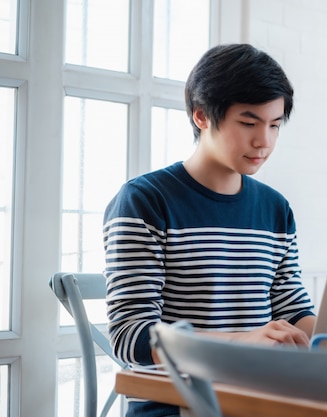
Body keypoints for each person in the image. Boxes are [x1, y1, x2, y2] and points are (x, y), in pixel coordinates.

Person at [103, 43, 316, 417]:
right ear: (201, 116)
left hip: (256, 401)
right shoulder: (145, 201)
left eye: (275, 125)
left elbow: (292, 307)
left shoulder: (275, 209)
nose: (264, 141)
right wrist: (242, 342)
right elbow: (131, 336)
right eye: (249, 123)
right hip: (173, 406)